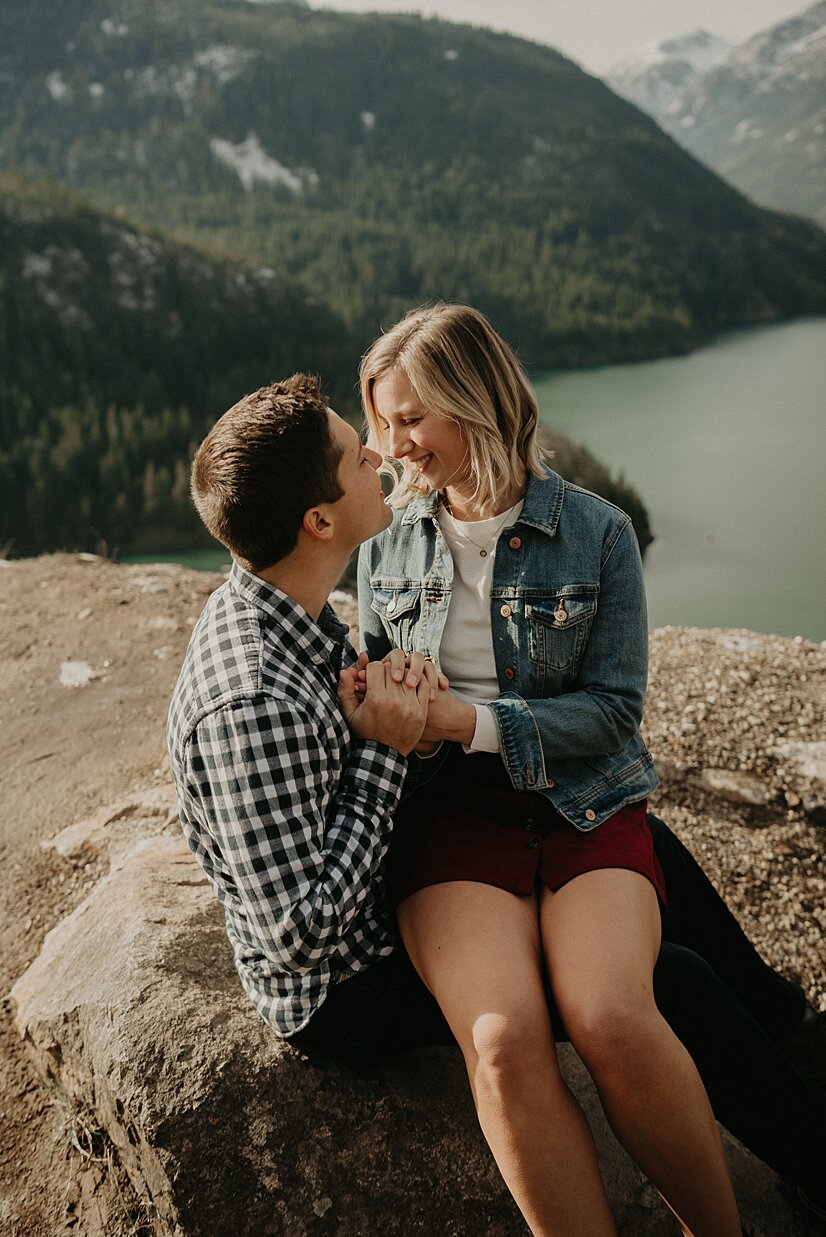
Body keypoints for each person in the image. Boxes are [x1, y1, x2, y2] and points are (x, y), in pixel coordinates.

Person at [167, 371, 826, 1232]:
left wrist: (402, 706)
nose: (379, 453)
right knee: (668, 985)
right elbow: (300, 935)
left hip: (375, 894)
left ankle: (794, 1032)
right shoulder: (251, 699)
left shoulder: (292, 607)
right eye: (356, 450)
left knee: (632, 842)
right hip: (347, 982)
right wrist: (385, 749)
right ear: (318, 521)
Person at [357, 303, 825, 1233]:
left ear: (475, 403)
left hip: (583, 802)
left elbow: (614, 712)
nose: (393, 446)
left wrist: (468, 718)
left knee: (613, 1016)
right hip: (451, 817)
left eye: (411, 418)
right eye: (381, 422)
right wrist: (388, 713)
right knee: (501, 1044)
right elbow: (380, 697)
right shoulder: (383, 547)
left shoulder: (598, 533)